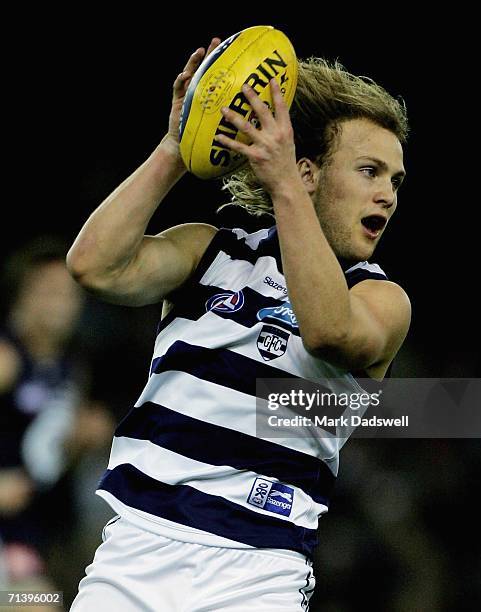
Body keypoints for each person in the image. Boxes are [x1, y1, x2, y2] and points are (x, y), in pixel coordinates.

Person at [67, 35, 411, 611]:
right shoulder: (209, 251)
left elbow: (325, 330)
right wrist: (175, 148)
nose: (388, 194)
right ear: (309, 171)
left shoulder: (381, 299)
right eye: (371, 171)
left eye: (396, 181)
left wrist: (281, 186)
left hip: (258, 573)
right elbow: (93, 267)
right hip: (134, 551)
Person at [0, 238, 114, 607]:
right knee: (37, 603)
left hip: (39, 532)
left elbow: (46, 460)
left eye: (68, 293)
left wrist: (76, 443)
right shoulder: (6, 358)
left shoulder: (71, 369)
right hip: (9, 534)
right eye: (48, 291)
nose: (61, 305)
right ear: (22, 294)